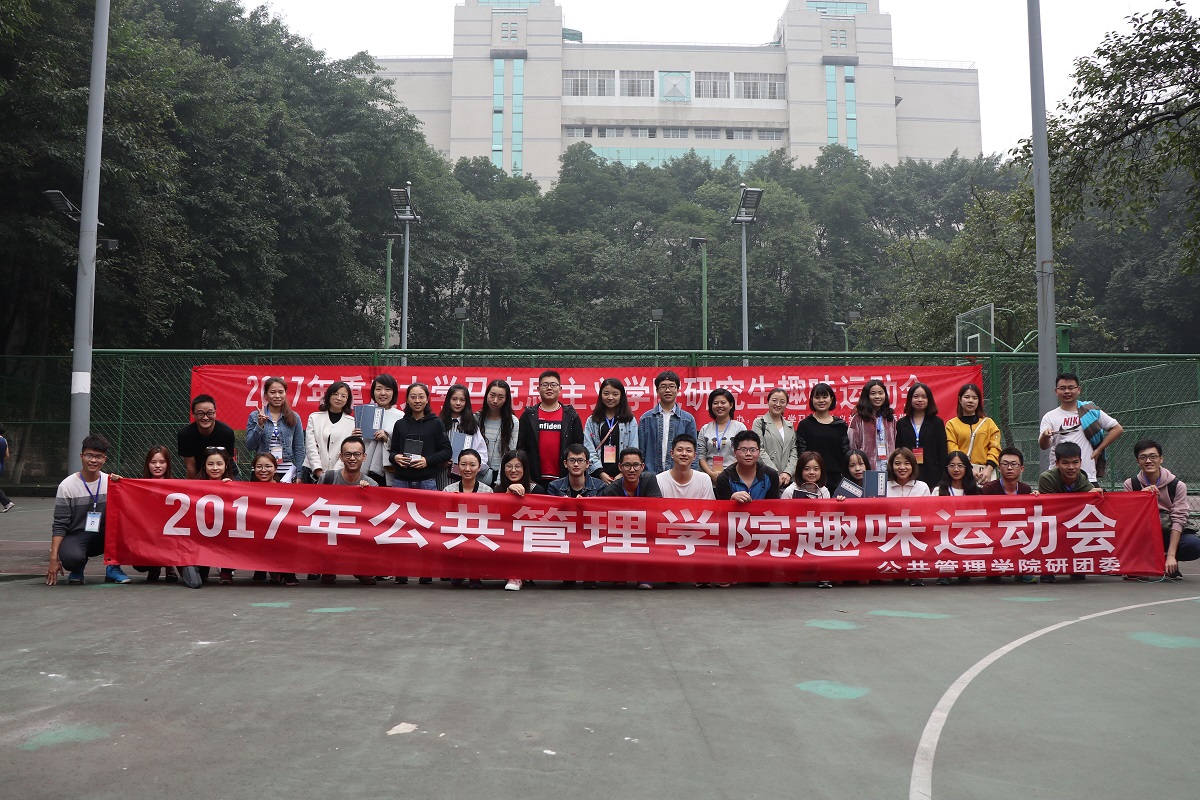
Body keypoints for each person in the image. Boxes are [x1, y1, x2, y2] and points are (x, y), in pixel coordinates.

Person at [46, 434, 128, 586]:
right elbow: (59, 524)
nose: (93, 460)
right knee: (72, 558)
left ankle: (113, 568)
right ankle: (77, 568)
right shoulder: (67, 486)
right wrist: (53, 558)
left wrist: (121, 485)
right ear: (81, 456)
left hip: (102, 535)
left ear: (104, 459)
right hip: (77, 535)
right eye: (89, 455)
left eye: (98, 456)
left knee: (125, 527)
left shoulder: (111, 482)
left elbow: (126, 512)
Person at [1123, 440, 1196, 581]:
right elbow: (1129, 518)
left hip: (1168, 531)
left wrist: (1171, 555)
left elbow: (1179, 520)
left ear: (1161, 459)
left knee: (1193, 545)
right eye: (1143, 457)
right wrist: (1141, 497)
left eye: (1153, 456)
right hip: (1144, 533)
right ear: (1137, 461)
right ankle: (1141, 562)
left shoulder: (1177, 485)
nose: (1148, 461)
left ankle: (1167, 561)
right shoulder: (1131, 484)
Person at [1039, 372, 1124, 483]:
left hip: (1087, 476)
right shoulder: (1050, 417)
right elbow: (1044, 446)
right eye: (1062, 388)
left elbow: (1117, 429)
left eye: (1071, 388)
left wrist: (1098, 450)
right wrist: (1045, 436)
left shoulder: (1091, 411)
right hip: (1058, 477)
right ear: (1056, 391)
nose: (1067, 391)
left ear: (1078, 390)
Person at [316, 435, 378, 586]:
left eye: (357, 454)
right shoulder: (328, 478)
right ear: (341, 457)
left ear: (364, 457)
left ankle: (361, 568)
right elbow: (314, 508)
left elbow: (375, 518)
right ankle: (328, 567)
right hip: (331, 529)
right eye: (348, 454)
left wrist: (367, 495)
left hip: (358, 531)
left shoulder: (372, 485)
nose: (352, 458)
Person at [1037, 441, 1102, 582]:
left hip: (1072, 520)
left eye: (1075, 462)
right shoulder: (1047, 478)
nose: (1071, 467)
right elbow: (1051, 508)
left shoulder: (1082, 477)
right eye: (1065, 463)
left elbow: (1092, 499)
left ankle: (1076, 565)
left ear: (1081, 462)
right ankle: (1048, 569)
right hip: (1052, 521)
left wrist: (1096, 494)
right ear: (1057, 463)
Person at [600, 447, 663, 590]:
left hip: (646, 528)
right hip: (621, 531)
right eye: (627, 465)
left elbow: (655, 509)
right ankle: (620, 572)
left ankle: (644, 574)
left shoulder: (650, 480)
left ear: (642, 466)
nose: (632, 470)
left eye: (636, 465)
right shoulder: (610, 491)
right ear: (620, 467)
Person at [516, 370, 585, 491]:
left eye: (553, 385)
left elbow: (579, 446)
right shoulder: (528, 415)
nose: (549, 388)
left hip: (564, 479)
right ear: (538, 389)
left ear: (560, 389)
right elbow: (521, 447)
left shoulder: (571, 416)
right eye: (545, 385)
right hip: (534, 480)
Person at [388, 382, 452, 491]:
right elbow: (393, 451)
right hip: (401, 481)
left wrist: (427, 461)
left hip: (426, 481)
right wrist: (395, 458)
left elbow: (447, 451)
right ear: (407, 400)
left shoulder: (436, 423)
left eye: (421, 397)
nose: (417, 401)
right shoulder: (400, 424)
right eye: (413, 397)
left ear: (427, 400)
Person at [444, 448, 492, 589]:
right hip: (456, 531)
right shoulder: (448, 490)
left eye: (472, 465)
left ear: (479, 467)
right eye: (463, 464)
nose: (467, 469)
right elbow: (443, 516)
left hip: (478, 531)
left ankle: (475, 574)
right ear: (457, 466)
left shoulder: (488, 491)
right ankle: (458, 572)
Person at [498, 450, 546, 592]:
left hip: (530, 536)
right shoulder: (498, 489)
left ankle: (517, 575)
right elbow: (497, 517)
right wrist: (507, 493)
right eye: (509, 466)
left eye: (518, 466)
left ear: (525, 468)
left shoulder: (537, 490)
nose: (513, 470)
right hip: (505, 535)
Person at [249, 453, 299, 587]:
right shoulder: (246, 489)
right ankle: (260, 569)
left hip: (281, 534)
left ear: (275, 468)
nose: (263, 470)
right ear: (254, 468)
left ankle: (286, 572)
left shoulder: (285, 489)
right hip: (257, 532)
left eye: (268, 466)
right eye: (259, 466)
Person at [638, 370, 698, 476]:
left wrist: (693, 474)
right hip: (651, 475)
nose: (667, 390)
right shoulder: (646, 418)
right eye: (663, 387)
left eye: (671, 386)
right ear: (657, 390)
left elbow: (693, 450)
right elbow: (641, 451)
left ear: (678, 390)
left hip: (679, 474)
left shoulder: (688, 419)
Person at [246, 377, 305, 482]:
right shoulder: (255, 416)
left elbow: (299, 448)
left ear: (285, 393)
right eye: (272, 392)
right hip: (262, 471)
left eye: (281, 392)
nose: (277, 396)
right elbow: (250, 445)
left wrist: (300, 475)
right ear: (266, 395)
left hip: (286, 472)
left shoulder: (294, 417)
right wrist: (260, 426)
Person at [132, 446, 177, 583]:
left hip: (170, 532)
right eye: (153, 462)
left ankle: (170, 567)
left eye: (162, 462)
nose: (157, 466)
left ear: (168, 464)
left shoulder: (177, 486)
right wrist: (118, 481)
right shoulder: (138, 486)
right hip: (148, 532)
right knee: (138, 564)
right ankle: (154, 566)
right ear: (147, 464)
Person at [795, 382, 850, 491]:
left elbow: (845, 452)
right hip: (812, 478)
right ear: (812, 400)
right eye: (817, 397)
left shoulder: (840, 425)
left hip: (835, 478)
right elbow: (802, 453)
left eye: (825, 397)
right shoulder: (805, 425)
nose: (821, 400)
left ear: (831, 399)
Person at [583, 377, 638, 485]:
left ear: (621, 396)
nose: (610, 397)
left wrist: (623, 473)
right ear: (601, 395)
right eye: (606, 393)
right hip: (597, 476)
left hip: (623, 475)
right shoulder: (592, 420)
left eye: (615, 394)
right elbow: (588, 447)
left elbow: (634, 447)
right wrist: (600, 472)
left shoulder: (629, 420)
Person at [944, 383, 1001, 484]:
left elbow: (995, 447)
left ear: (979, 401)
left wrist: (989, 468)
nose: (970, 401)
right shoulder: (951, 425)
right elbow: (952, 448)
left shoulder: (989, 423)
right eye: (967, 397)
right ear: (960, 399)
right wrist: (967, 468)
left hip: (986, 473)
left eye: (975, 398)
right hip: (961, 472)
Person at [895, 382, 947, 491]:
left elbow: (942, 452)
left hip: (932, 473)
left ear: (929, 400)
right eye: (916, 396)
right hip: (908, 473)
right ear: (910, 399)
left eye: (924, 397)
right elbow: (898, 449)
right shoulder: (901, 423)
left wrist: (943, 478)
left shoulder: (937, 422)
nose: (920, 400)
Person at [436, 384, 488, 489]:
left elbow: (482, 455)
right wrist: (439, 459)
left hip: (464, 478)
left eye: (462, 400)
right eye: (454, 399)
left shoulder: (471, 426)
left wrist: (468, 465)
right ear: (448, 400)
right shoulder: (438, 423)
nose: (458, 403)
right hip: (440, 474)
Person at [305, 381, 358, 483]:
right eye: (335, 394)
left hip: (340, 475)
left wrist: (333, 474)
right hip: (313, 473)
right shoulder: (314, 418)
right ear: (329, 395)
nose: (339, 398)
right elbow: (311, 446)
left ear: (347, 400)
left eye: (343, 396)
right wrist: (318, 471)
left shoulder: (352, 423)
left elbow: (348, 451)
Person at [177, 394, 238, 479]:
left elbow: (228, 463)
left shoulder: (227, 433)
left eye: (209, 413)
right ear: (193, 415)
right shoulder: (185, 434)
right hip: (200, 473)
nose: (205, 417)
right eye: (200, 413)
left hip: (225, 473)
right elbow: (191, 466)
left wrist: (227, 483)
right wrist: (192, 486)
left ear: (215, 413)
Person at [750, 387, 798, 488]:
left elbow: (794, 451)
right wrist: (774, 473)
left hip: (786, 480)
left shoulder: (789, 426)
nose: (778, 404)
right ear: (768, 402)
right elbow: (758, 449)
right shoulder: (759, 423)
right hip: (766, 475)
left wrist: (788, 472)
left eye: (782, 402)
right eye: (774, 400)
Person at [715, 430, 781, 502]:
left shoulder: (771, 475)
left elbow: (773, 506)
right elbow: (723, 507)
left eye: (753, 450)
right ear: (735, 452)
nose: (748, 454)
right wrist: (731, 499)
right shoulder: (724, 478)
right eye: (743, 450)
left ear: (759, 452)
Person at [362, 374, 404, 486]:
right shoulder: (365, 412)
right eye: (378, 389)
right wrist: (355, 436)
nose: (383, 393)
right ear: (373, 392)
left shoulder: (401, 416)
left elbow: (403, 445)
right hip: (365, 468)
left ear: (394, 392)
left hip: (389, 469)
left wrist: (387, 438)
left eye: (387, 389)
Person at [697, 388, 746, 483]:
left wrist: (725, 473)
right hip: (709, 479)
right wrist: (711, 474)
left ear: (731, 405)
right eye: (715, 403)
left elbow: (742, 454)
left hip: (733, 478)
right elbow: (701, 456)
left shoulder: (739, 428)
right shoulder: (705, 429)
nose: (719, 406)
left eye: (723, 402)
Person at [478, 379, 520, 489]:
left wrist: (499, 481)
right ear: (486, 395)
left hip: (501, 475)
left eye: (500, 397)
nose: (495, 400)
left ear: (506, 399)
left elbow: (510, 452)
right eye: (492, 395)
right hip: (477, 473)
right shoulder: (476, 418)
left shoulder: (512, 422)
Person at [847, 379, 897, 468]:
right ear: (867, 396)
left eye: (881, 393)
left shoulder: (890, 418)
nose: (877, 396)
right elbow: (852, 446)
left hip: (888, 467)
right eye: (873, 393)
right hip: (867, 468)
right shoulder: (858, 418)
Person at [656, 434, 716, 500]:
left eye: (689, 451)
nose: (684, 454)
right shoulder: (659, 480)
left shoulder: (704, 480)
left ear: (694, 456)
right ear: (672, 453)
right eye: (679, 450)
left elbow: (709, 506)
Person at [0, 422, 15, 511]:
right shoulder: (4, 440)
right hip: (1, 465)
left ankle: (7, 502)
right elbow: (7, 455)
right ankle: (6, 502)